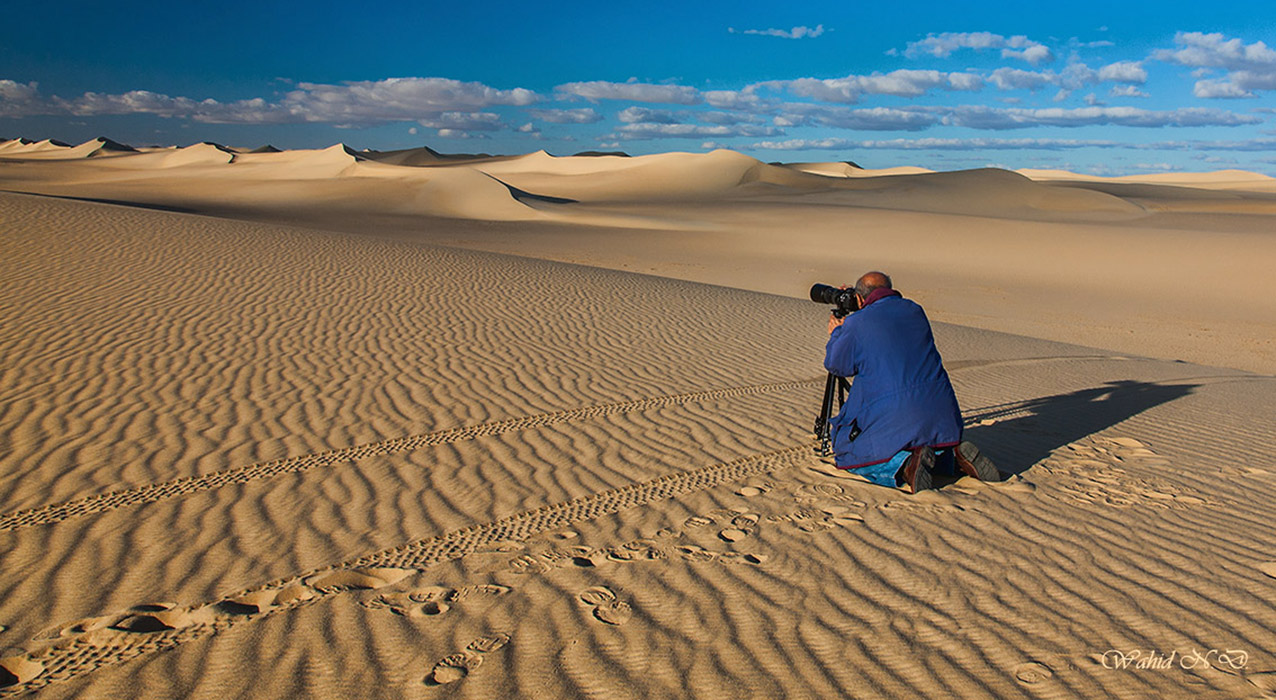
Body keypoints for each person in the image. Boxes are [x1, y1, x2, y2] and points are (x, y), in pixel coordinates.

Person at [824, 271, 999, 493]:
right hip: (942, 418)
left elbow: (837, 365)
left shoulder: (857, 323)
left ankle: (905, 467)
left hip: (896, 417)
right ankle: (953, 459)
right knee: (925, 440)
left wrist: (837, 333)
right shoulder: (915, 311)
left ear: (859, 299)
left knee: (849, 455)